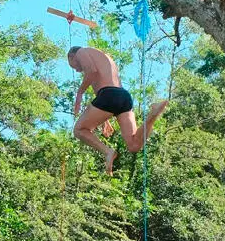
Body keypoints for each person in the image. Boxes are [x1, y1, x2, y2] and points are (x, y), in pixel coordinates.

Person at [68, 45, 168, 175]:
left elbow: (91, 71)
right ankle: (153, 115)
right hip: (123, 97)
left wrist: (80, 93)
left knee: (79, 130)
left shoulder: (81, 52)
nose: (76, 70)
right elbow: (103, 89)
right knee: (134, 145)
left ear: (71, 56)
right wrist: (106, 121)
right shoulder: (105, 57)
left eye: (73, 66)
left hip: (109, 96)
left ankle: (107, 151)